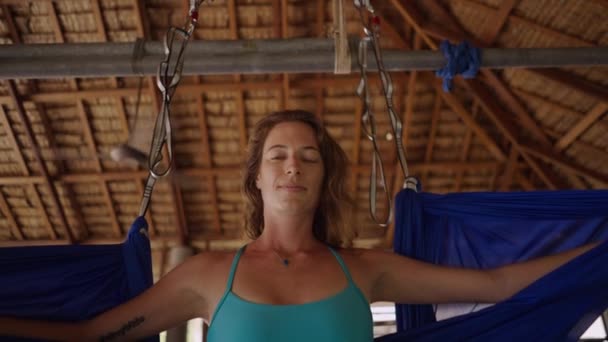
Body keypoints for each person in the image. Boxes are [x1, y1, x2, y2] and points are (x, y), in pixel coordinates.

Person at [0, 110, 599, 341]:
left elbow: (495, 287)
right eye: (278, 156)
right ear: (257, 180)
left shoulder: (365, 269)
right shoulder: (208, 275)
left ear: (323, 180)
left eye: (309, 157)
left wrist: (601, 256)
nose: (293, 165)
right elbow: (88, 339)